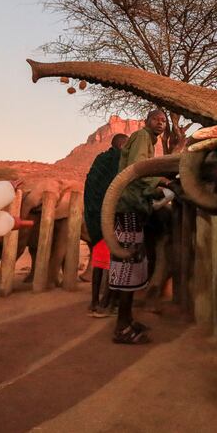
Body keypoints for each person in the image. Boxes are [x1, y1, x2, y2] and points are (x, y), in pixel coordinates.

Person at [109, 109, 168, 344]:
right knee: (128, 263)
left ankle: (127, 318)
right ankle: (122, 327)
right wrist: (160, 181)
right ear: (147, 121)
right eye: (157, 119)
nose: (161, 123)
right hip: (128, 207)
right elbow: (137, 169)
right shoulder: (143, 137)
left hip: (132, 205)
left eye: (164, 121)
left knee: (133, 263)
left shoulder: (148, 141)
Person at [83, 133, 128, 317]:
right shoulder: (120, 162)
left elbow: (91, 188)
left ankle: (94, 300)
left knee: (99, 264)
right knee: (114, 263)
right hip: (112, 219)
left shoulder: (100, 160)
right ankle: (105, 302)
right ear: (122, 145)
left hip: (96, 219)